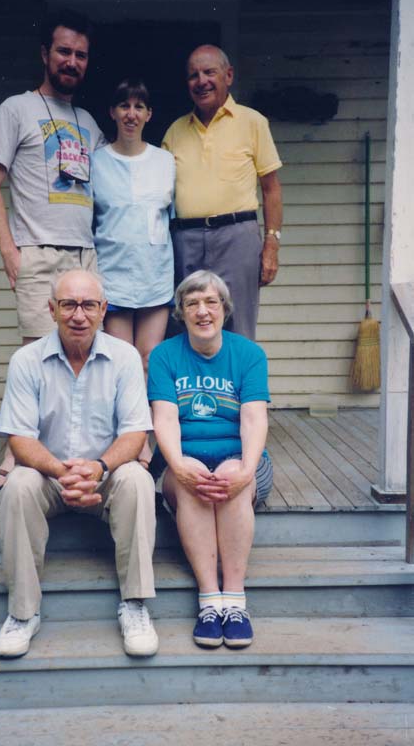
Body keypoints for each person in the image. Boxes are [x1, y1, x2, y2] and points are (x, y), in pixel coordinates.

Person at [0, 269, 158, 660]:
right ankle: (22, 613)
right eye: (68, 305)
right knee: (17, 484)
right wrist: (61, 471)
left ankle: (134, 605)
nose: (78, 315)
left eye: (88, 305)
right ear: (52, 310)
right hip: (49, 477)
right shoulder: (26, 360)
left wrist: (99, 468)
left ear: (103, 310)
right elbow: (19, 438)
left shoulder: (125, 357)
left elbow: (135, 434)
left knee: (137, 478)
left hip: (106, 477)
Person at [0, 8, 105, 492]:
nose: (72, 60)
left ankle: (76, 450)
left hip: (85, 257)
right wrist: (10, 251)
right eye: (64, 51)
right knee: (35, 357)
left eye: (81, 54)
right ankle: (16, 453)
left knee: (82, 355)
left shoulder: (89, 122)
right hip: (39, 252)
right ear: (46, 55)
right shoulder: (16, 109)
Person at [147, 270, 273, 649]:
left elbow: (253, 417)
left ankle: (234, 600)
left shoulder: (249, 354)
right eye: (192, 304)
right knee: (196, 479)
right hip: (183, 461)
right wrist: (179, 465)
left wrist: (247, 470)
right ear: (180, 313)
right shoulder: (164, 355)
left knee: (232, 473)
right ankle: (208, 600)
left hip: (242, 460)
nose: (202, 311)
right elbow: (165, 417)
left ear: (224, 309)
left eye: (210, 302)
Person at [162, 45, 283, 340]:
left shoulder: (252, 122)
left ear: (228, 76)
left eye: (209, 72)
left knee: (238, 326)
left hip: (237, 236)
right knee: (186, 322)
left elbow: (271, 189)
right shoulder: (175, 131)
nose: (201, 81)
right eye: (193, 75)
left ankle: (239, 388)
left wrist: (271, 245)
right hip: (185, 240)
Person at [93, 77, 175, 466]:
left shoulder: (165, 161)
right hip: (113, 275)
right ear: (112, 112)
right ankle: (133, 442)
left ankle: (151, 436)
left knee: (149, 359)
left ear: (149, 114)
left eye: (139, 106)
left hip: (155, 274)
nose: (131, 113)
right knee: (123, 361)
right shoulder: (96, 162)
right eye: (124, 105)